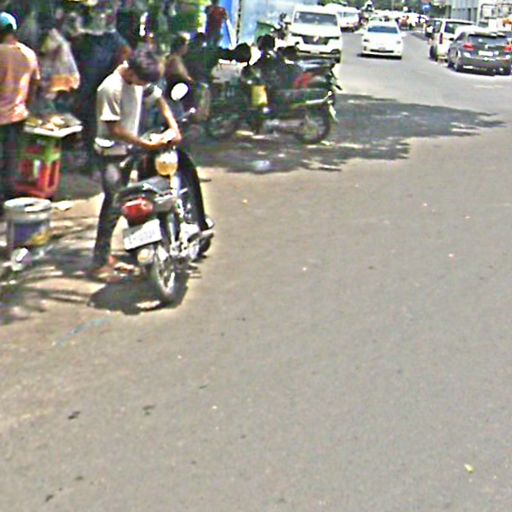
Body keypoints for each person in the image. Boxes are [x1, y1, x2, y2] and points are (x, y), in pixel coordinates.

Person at [89, 48, 182, 282]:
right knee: (114, 205)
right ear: (131, 72)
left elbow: (159, 99)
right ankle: (99, 263)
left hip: (130, 150)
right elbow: (115, 129)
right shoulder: (110, 88)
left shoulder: (139, 81)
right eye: (141, 81)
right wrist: (145, 144)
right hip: (110, 154)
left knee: (137, 200)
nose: (143, 85)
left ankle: (137, 252)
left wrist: (173, 127)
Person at [0, 11, 40, 212]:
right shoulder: (29, 54)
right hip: (18, 116)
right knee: (11, 161)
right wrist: (27, 106)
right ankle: (6, 203)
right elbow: (35, 84)